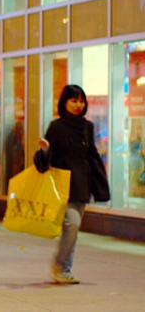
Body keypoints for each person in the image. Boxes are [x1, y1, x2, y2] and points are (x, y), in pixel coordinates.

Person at [34, 85, 110, 284]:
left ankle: (63, 270)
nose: (78, 105)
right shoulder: (56, 126)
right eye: (74, 100)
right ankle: (60, 266)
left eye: (81, 101)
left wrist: (100, 182)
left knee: (72, 230)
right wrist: (45, 150)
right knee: (72, 224)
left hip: (81, 183)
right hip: (61, 184)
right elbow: (46, 157)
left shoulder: (87, 126)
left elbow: (91, 154)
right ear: (64, 102)